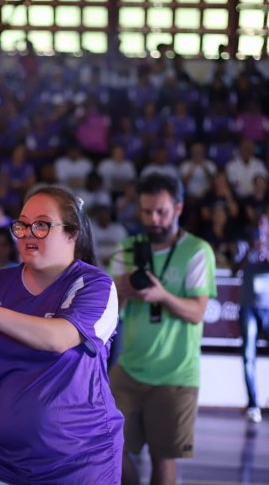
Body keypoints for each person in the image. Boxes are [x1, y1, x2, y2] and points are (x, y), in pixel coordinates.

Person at [0, 185, 124, 484]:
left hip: (78, 459)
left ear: (73, 233)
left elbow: (59, 338)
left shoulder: (95, 285)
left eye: (42, 225)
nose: (28, 232)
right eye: (23, 224)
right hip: (0, 456)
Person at [107, 173, 217, 485]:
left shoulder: (197, 250)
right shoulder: (127, 248)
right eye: (146, 212)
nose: (153, 219)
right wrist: (122, 288)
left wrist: (162, 295)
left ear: (178, 208)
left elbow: (197, 313)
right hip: (128, 369)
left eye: (161, 212)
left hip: (175, 375)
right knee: (110, 448)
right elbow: (112, 311)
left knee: (163, 458)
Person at [232, 214, 269, 423]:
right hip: (248, 308)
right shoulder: (243, 246)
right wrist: (250, 252)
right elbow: (235, 271)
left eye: (264, 224)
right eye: (257, 224)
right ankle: (254, 405)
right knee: (248, 357)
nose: (260, 228)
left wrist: (266, 255)